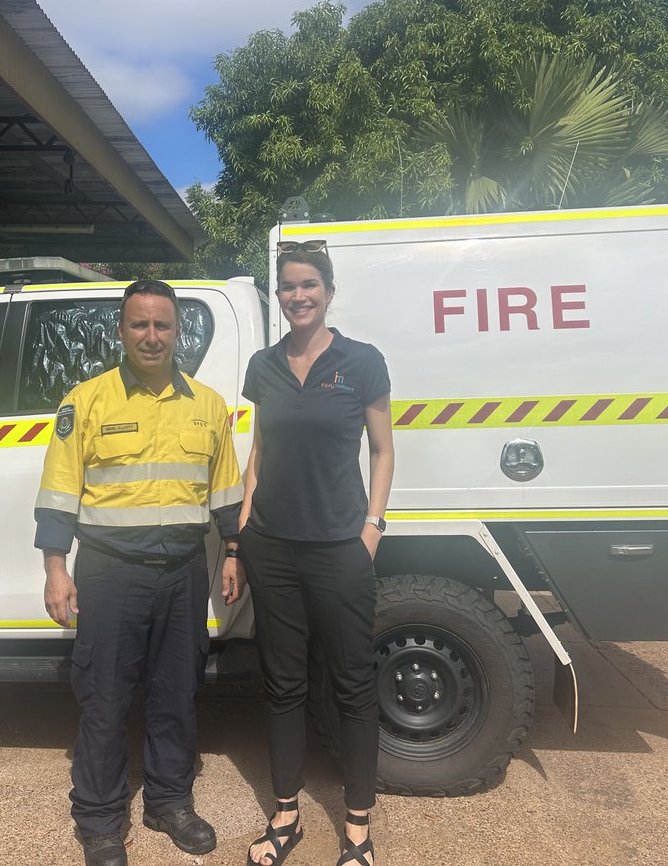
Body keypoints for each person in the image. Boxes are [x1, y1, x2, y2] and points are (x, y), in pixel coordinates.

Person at [34, 279, 245, 866]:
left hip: (181, 571)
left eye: (163, 325)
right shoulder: (87, 401)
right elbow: (57, 494)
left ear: (179, 332)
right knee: (105, 696)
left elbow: (226, 491)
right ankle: (100, 820)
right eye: (139, 325)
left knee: (179, 692)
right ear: (121, 330)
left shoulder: (207, 406)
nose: (152, 336)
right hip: (109, 571)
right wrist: (57, 569)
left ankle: (170, 802)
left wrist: (233, 551)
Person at [238, 239, 395, 866]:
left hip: (339, 548)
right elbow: (260, 449)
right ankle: (285, 817)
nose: (298, 296)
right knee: (282, 685)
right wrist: (246, 523)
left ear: (329, 291)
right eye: (287, 287)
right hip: (272, 546)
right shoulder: (263, 366)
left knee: (354, 686)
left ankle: (358, 826)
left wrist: (371, 530)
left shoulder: (362, 362)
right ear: (278, 297)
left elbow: (382, 449)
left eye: (309, 285)